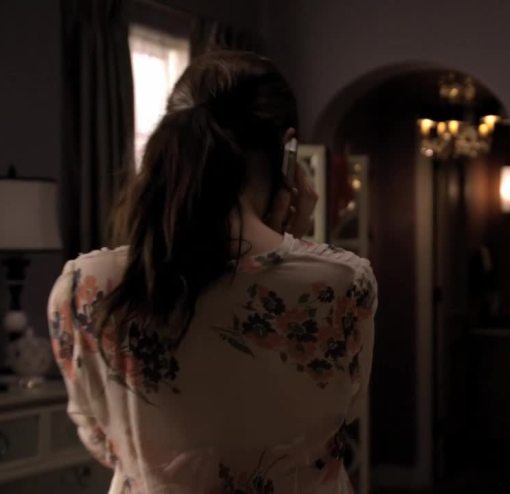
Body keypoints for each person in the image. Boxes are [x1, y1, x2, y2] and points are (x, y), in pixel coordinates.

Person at [48, 50, 377, 494]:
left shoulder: (85, 286)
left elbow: (105, 441)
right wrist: (292, 244)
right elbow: (342, 411)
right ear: (288, 150)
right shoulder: (340, 283)